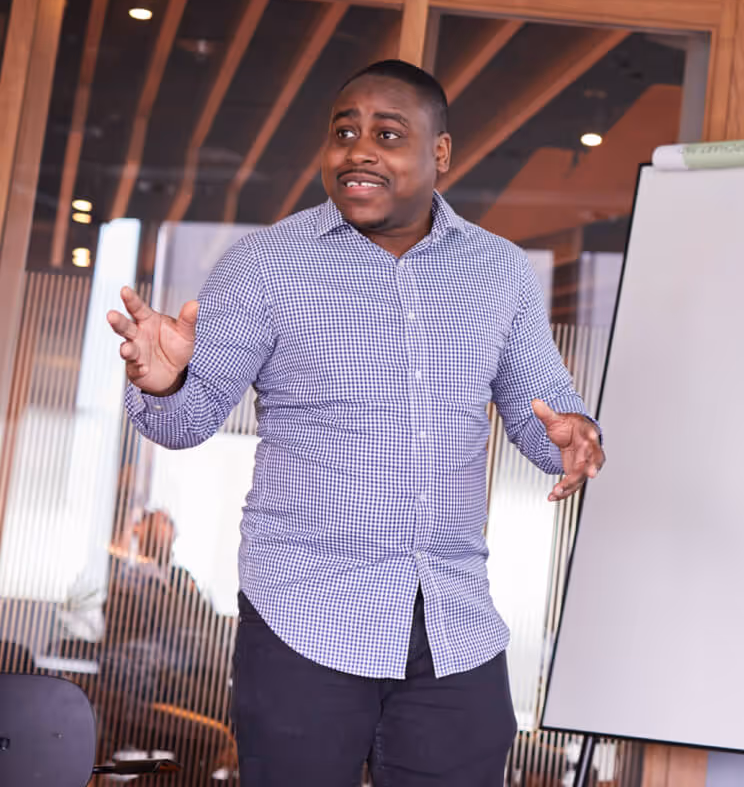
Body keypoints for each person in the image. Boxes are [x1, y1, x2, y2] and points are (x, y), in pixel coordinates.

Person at [107, 60, 605, 787]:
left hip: (452, 625)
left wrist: (574, 435)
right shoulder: (264, 267)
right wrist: (168, 378)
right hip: (303, 619)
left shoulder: (499, 273)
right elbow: (187, 420)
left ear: (440, 154)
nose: (358, 150)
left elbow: (544, 410)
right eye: (344, 132)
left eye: (387, 134)